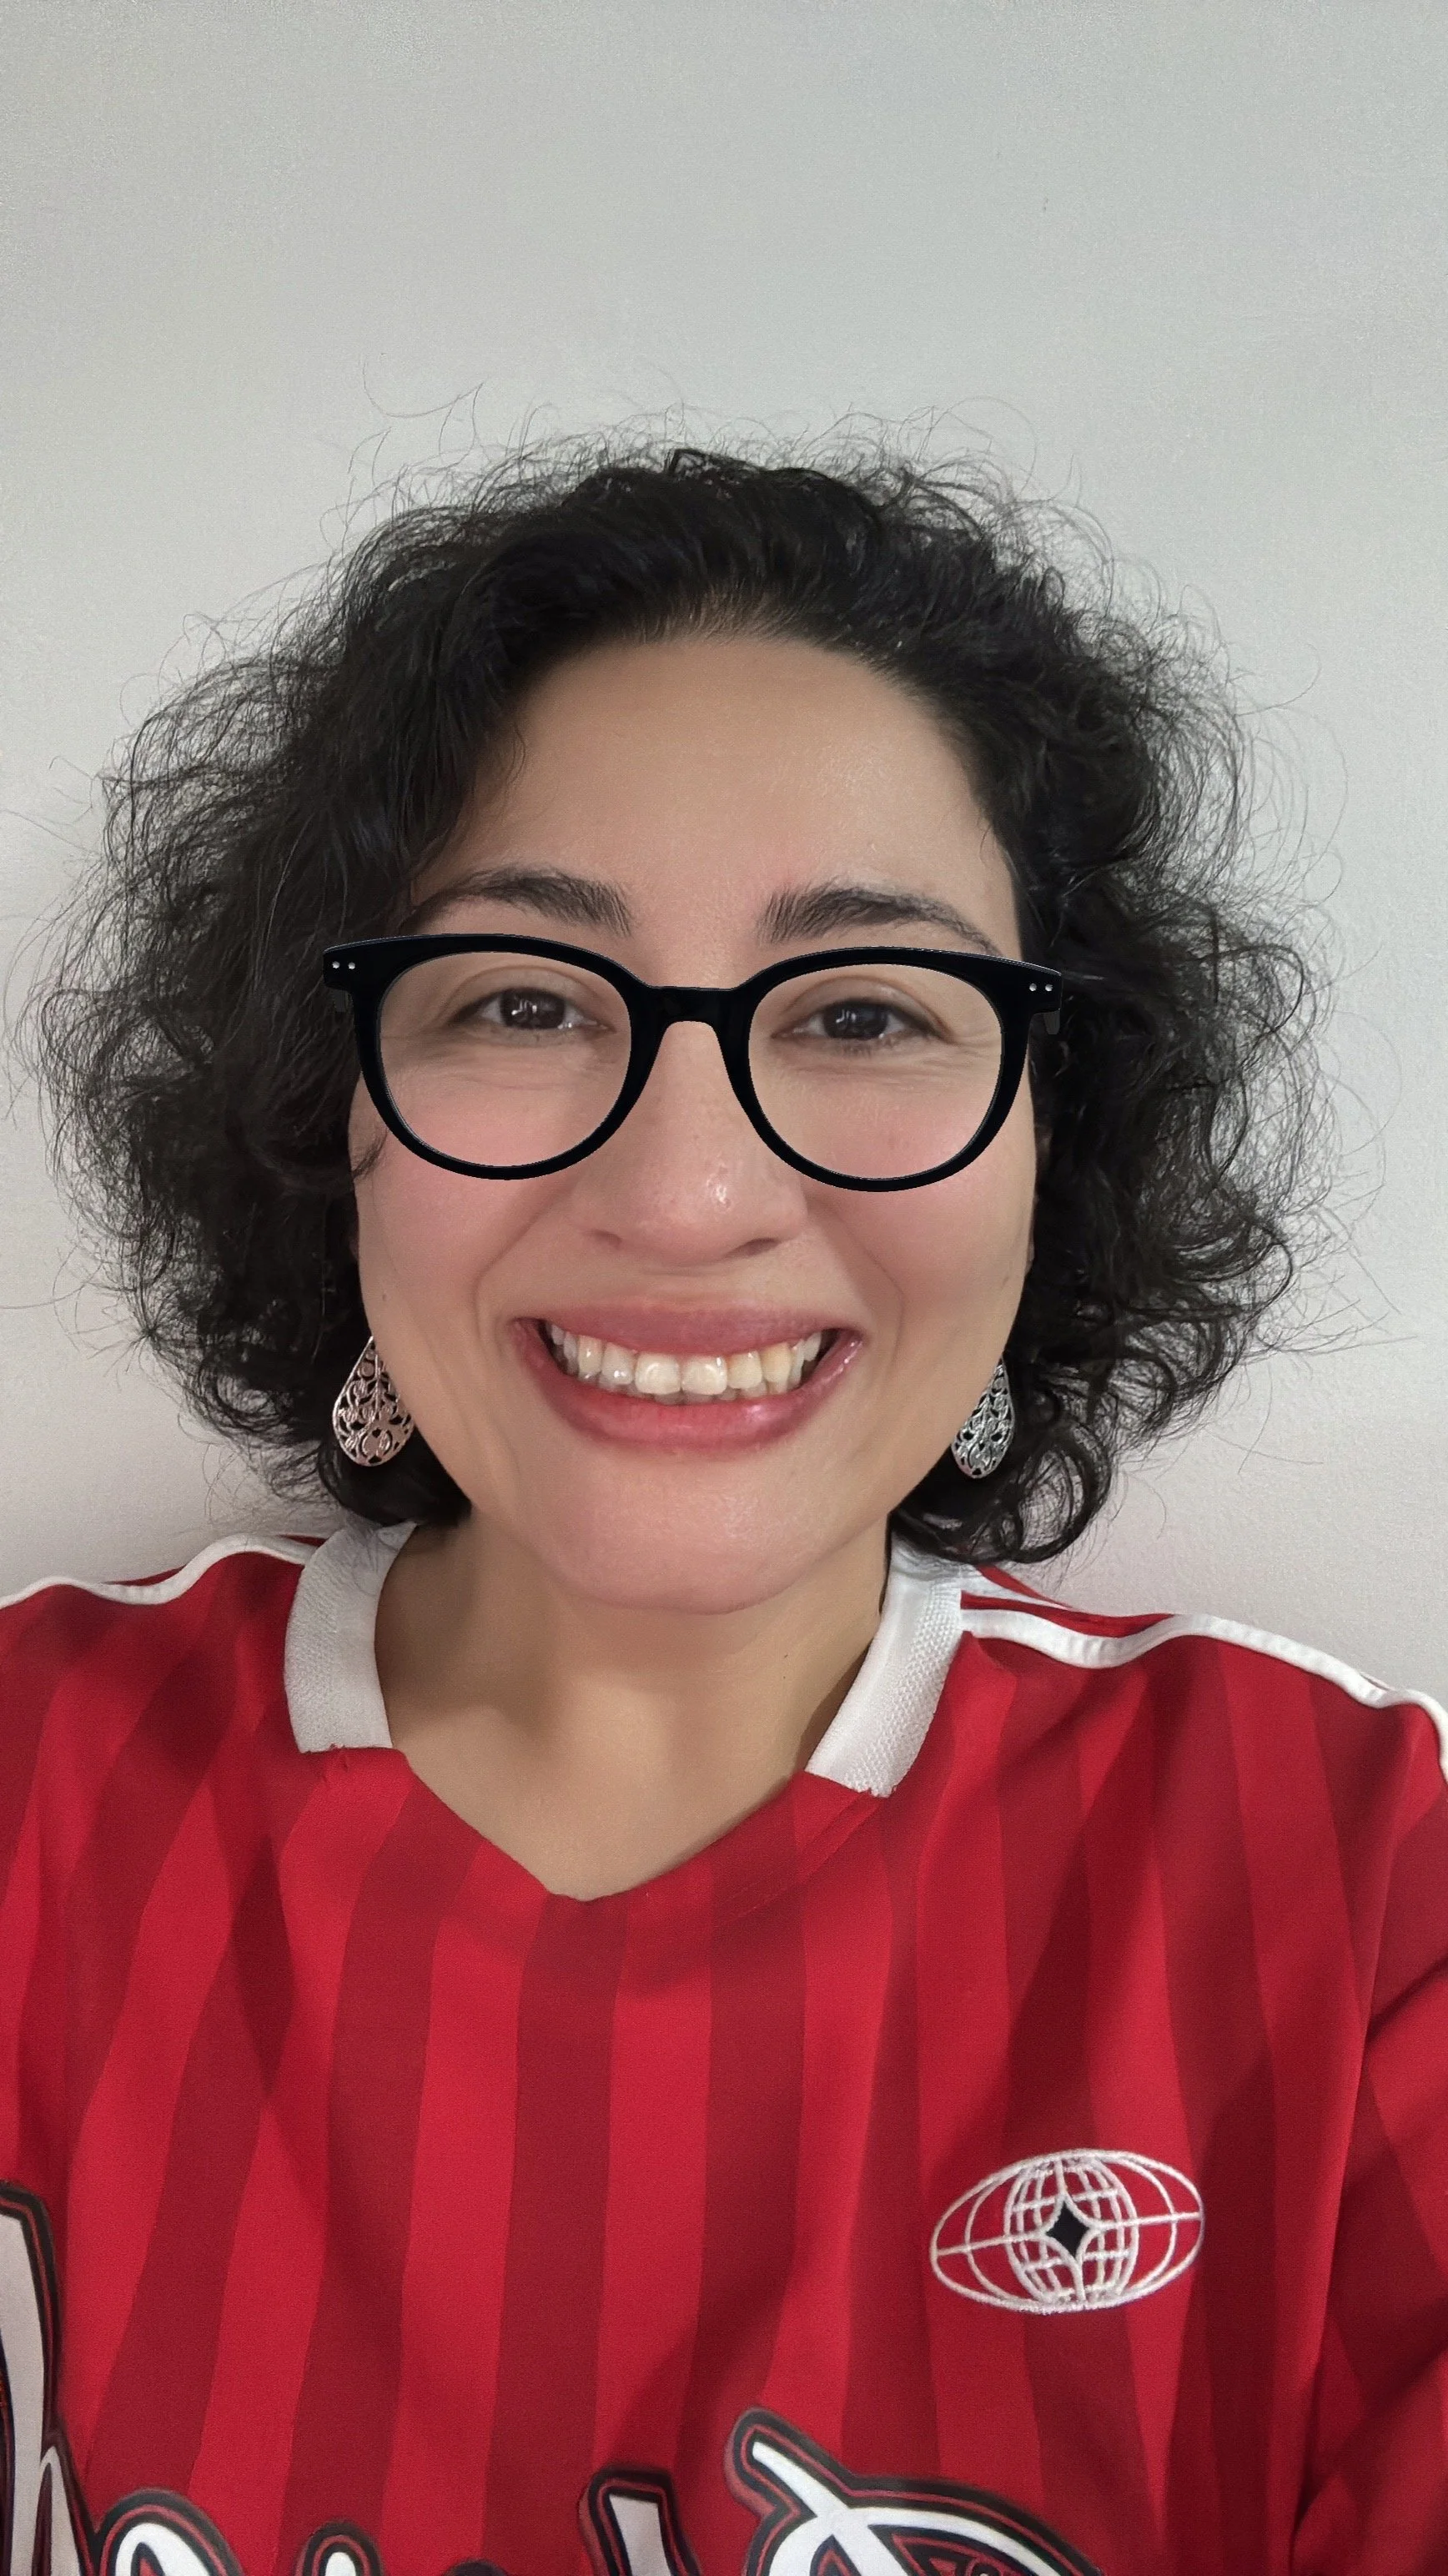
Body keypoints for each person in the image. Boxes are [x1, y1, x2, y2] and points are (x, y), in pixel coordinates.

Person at [7, 435, 1445, 2576]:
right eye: (519, 999)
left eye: (866, 1006)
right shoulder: (30, 1798)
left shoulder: (1354, 1896)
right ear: (331, 1121)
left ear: (1066, 1128)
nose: (686, 1193)